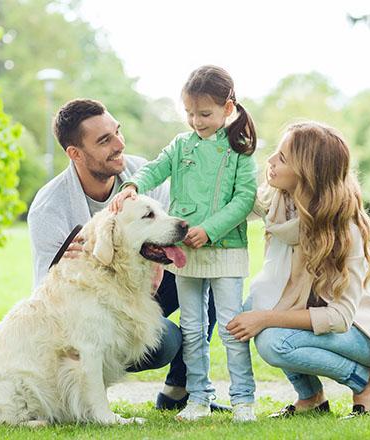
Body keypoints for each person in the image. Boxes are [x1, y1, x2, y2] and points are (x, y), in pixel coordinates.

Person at [27, 98, 228, 412]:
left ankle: (178, 391)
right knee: (166, 343)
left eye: (117, 132)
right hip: (93, 305)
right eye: (104, 140)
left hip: (144, 279)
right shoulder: (50, 208)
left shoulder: (139, 172)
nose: (119, 144)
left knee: (210, 277)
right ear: (75, 153)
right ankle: (91, 394)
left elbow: (168, 226)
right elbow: (46, 294)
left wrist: (157, 260)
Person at [227, 121, 370, 419]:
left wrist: (266, 317)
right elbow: (233, 205)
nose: (271, 162)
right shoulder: (280, 200)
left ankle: (367, 381)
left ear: (307, 174)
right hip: (316, 311)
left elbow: (340, 317)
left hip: (363, 333)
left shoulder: (344, 229)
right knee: (257, 305)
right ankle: (311, 398)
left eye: (283, 158)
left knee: (274, 340)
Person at [111, 65, 258, 423]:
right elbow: (154, 168)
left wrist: (209, 230)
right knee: (192, 328)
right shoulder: (181, 145)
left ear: (228, 108)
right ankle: (198, 397)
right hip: (188, 254)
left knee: (229, 327)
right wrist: (132, 185)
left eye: (204, 114)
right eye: (190, 113)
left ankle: (243, 400)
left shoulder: (240, 151)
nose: (196, 121)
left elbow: (244, 199)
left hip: (225, 251)